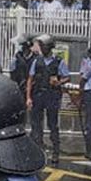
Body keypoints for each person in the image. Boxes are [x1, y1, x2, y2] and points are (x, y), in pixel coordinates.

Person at [26, 34, 69, 166]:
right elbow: (30, 79)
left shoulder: (58, 61)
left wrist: (58, 82)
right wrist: (28, 97)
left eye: (44, 46)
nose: (42, 48)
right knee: (36, 125)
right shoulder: (37, 61)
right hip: (38, 94)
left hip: (52, 95)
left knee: (52, 124)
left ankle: (55, 151)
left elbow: (66, 77)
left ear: (50, 47)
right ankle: (37, 151)